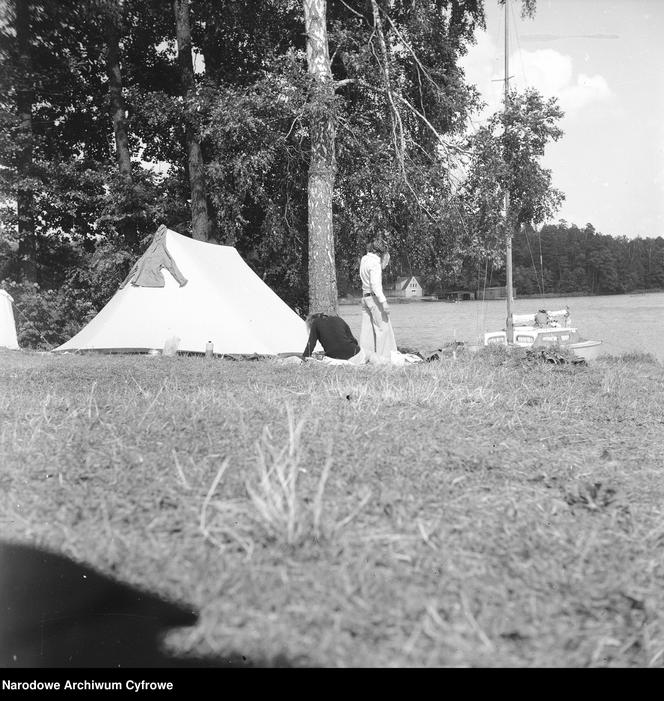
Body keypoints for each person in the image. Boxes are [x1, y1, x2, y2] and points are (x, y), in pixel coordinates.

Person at [359, 238, 397, 360]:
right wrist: (384, 302)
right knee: (383, 328)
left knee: (367, 330)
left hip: (365, 297)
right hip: (374, 298)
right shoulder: (375, 263)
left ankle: (366, 356)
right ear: (381, 253)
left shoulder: (364, 259)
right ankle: (385, 357)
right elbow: (375, 285)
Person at [302, 312, 367, 365]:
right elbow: (352, 339)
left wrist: (305, 357)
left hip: (335, 359)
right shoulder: (338, 319)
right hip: (354, 355)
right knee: (369, 354)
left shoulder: (315, 323)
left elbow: (311, 344)